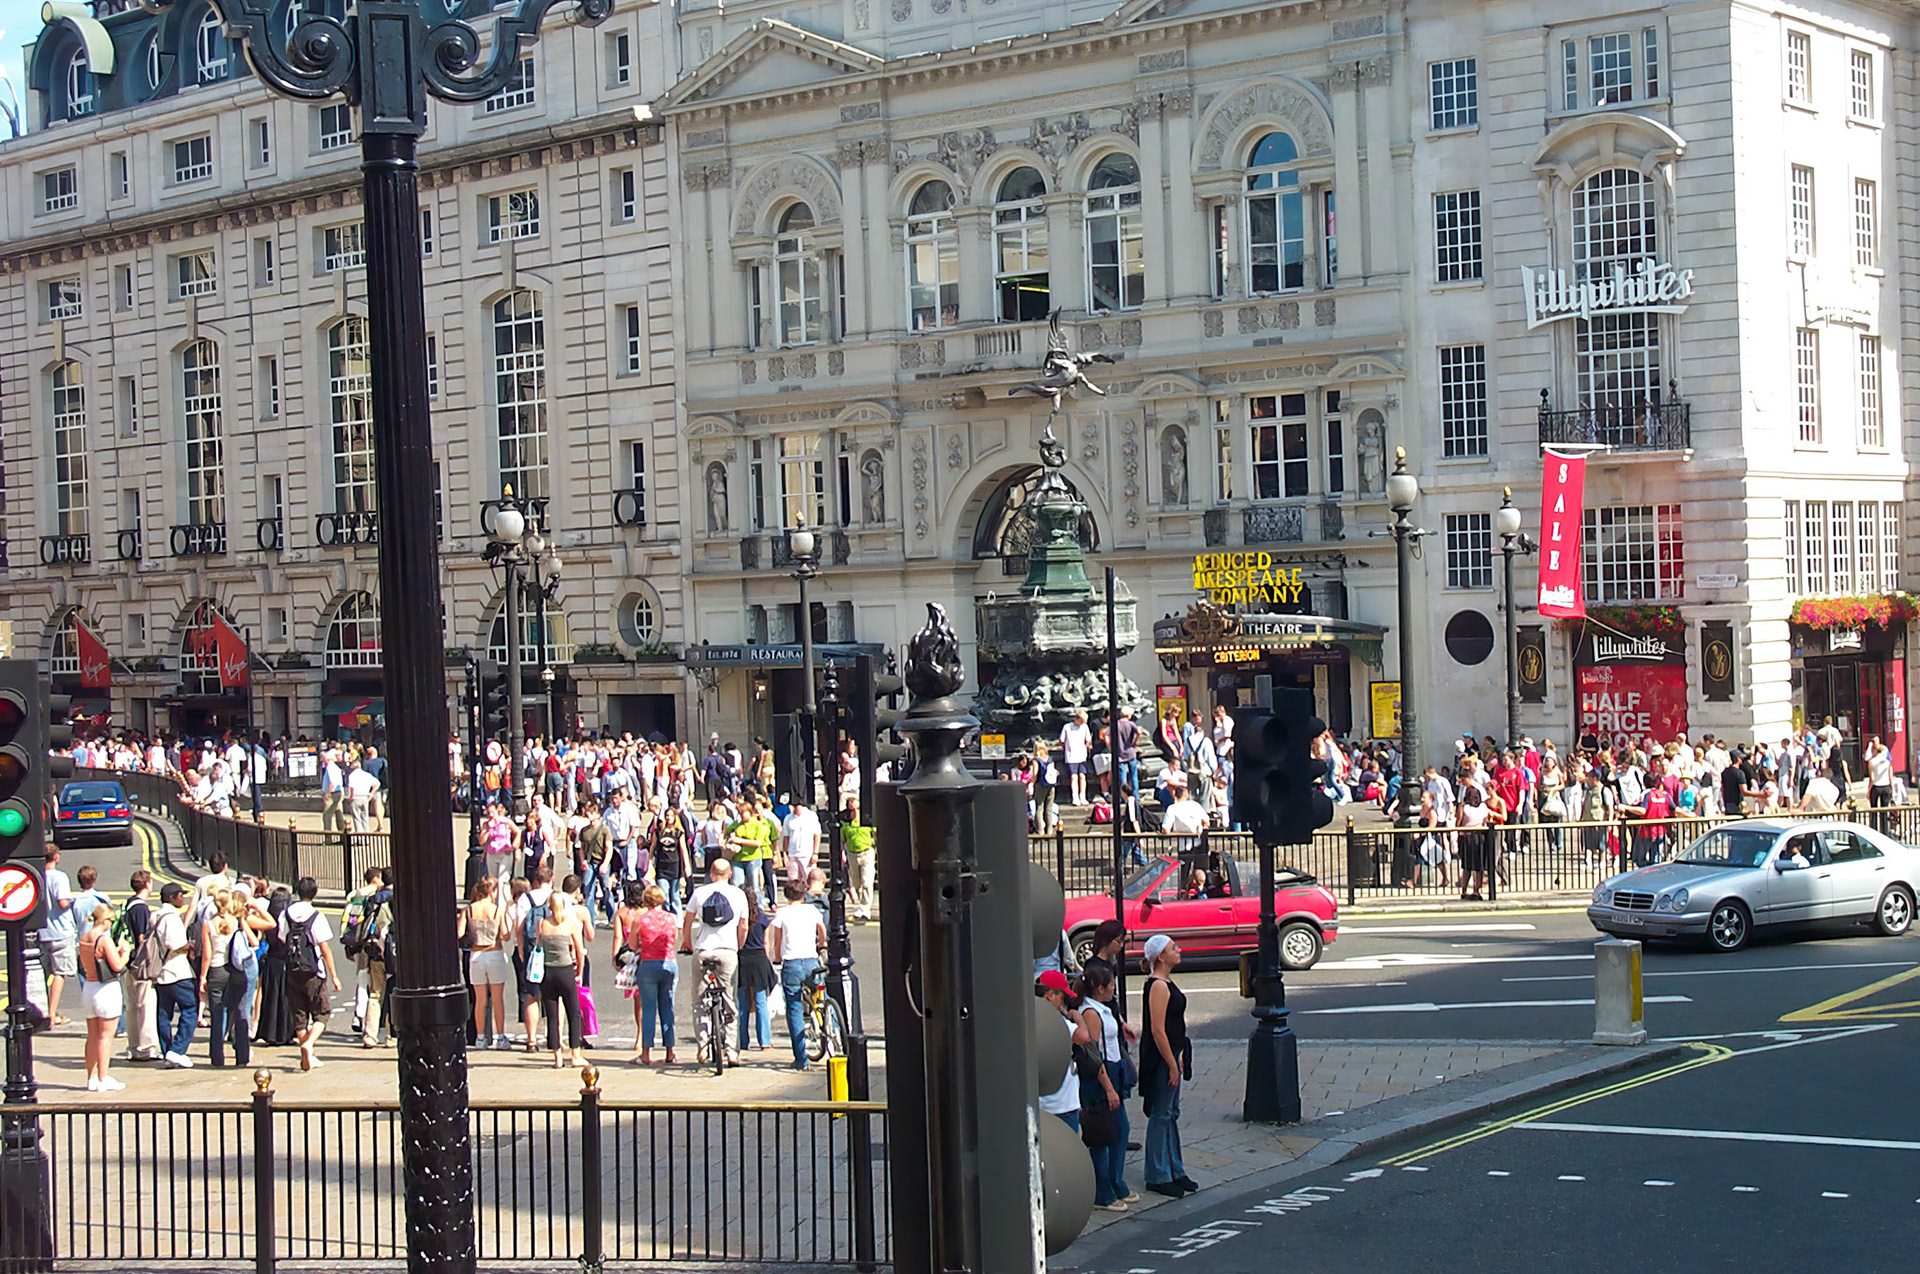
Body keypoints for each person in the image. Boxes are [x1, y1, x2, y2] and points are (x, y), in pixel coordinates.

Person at [1139, 934, 1194, 1198]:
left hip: (1172, 1054)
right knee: (1161, 1115)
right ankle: (1157, 1174)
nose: (1178, 950)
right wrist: (1172, 1064)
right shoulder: (1158, 986)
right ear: (1160, 956)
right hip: (1162, 1058)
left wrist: (1180, 1054)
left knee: (1171, 1113)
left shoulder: (1166, 982)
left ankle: (1174, 1169)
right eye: (1173, 948)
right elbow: (1157, 1030)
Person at [682, 857, 750, 1066]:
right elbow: (744, 925)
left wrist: (688, 943)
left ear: (711, 874)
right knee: (730, 1002)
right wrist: (737, 946)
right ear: (730, 874)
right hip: (728, 950)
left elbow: (687, 920)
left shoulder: (700, 893)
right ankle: (731, 1052)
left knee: (699, 1001)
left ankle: (703, 1048)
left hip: (704, 948)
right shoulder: (738, 894)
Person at [1076, 964, 1132, 1210]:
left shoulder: (1103, 1008)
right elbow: (1093, 1055)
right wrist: (1108, 1087)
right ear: (1100, 988)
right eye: (1110, 985)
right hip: (1102, 1075)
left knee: (1119, 1130)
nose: (1113, 989)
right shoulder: (1091, 1013)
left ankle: (1115, 1181)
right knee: (1103, 1133)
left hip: (1113, 1069)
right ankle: (1104, 1191)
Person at [281, 876, 342, 1073]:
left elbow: (282, 939)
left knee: (299, 1015)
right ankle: (309, 1044)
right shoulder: (316, 916)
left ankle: (307, 1053)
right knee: (321, 1013)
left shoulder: (286, 914)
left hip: (292, 970)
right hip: (314, 972)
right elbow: (325, 949)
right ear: (314, 893)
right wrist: (334, 976)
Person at [767, 882, 828, 1070]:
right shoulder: (811, 910)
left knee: (794, 1009)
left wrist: (777, 957)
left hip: (791, 963)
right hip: (811, 960)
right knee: (821, 997)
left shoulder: (782, 913)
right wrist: (821, 944)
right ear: (803, 895)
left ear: (787, 895)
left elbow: (777, 939)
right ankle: (829, 1027)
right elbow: (822, 930)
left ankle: (801, 1059)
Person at [619, 884, 679, 1066]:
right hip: (668, 962)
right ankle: (670, 1050)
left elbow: (632, 944)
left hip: (648, 963)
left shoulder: (640, 919)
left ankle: (645, 1053)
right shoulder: (671, 918)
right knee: (667, 1006)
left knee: (648, 1009)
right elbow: (674, 940)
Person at [535, 886, 589, 1068]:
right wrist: (580, 971)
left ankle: (557, 1057)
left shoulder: (542, 923)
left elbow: (538, 945)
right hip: (565, 970)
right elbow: (580, 950)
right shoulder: (570, 924)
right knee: (573, 1012)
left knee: (551, 1015)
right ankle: (575, 1054)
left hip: (547, 971)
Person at [77, 904, 128, 1091]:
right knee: (106, 1036)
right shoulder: (104, 940)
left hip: (89, 987)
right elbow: (117, 966)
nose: (111, 924)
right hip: (106, 989)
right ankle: (103, 1078)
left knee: (92, 1035)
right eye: (111, 921)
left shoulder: (83, 938)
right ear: (104, 920)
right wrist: (125, 953)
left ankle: (90, 1078)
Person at [1036, 969, 1091, 1132]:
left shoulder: (1033, 1020)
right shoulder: (1059, 1022)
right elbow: (1083, 1037)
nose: (1064, 1002)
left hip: (1042, 1101)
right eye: (1062, 997)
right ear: (1050, 995)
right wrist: (1077, 1017)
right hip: (1062, 1103)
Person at [152, 882, 198, 1068]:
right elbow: (176, 945)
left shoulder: (155, 915)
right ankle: (177, 1050)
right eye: (180, 895)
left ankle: (167, 1051)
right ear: (171, 898)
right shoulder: (171, 918)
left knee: (164, 1014)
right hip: (177, 972)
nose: (183, 898)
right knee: (190, 1009)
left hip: (160, 972)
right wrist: (192, 945)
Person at [118, 871, 162, 1062]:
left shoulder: (128, 904)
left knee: (132, 1007)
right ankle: (146, 1048)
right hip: (141, 964)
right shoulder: (141, 909)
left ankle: (134, 1046)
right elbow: (142, 938)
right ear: (147, 884)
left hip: (129, 962)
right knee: (146, 1005)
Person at [464, 877, 511, 1048]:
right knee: (498, 998)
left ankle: (480, 1037)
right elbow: (505, 934)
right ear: (492, 892)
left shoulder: (469, 910)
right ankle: (500, 1037)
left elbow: (459, 932)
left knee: (480, 999)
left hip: (476, 954)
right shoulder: (497, 910)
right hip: (494, 952)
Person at [253, 884, 297, 1048]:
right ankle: (286, 1033)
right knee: (286, 998)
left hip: (272, 960)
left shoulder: (268, 917)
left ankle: (270, 1032)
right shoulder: (288, 918)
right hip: (285, 960)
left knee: (271, 998)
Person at [734, 889, 775, 1054]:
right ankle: (764, 1041)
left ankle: (742, 1040)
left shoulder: (739, 917)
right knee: (760, 1002)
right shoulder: (761, 917)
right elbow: (766, 942)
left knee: (742, 1004)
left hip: (742, 957)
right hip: (758, 958)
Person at [40, 847, 76, 1026]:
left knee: (42, 973)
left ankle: (41, 1009)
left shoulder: (36, 875)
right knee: (59, 973)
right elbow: (62, 903)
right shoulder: (59, 877)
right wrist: (72, 901)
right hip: (60, 931)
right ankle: (52, 1013)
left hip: (40, 931)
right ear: (55, 857)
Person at [781, 801, 822, 893]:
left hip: (807, 854)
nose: (793, 808)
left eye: (796, 806)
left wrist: (816, 852)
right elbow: (786, 837)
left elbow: (817, 835)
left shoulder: (811, 816)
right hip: (793, 854)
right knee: (793, 880)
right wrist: (785, 854)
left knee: (808, 879)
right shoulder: (788, 818)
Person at [1060, 710, 1094, 806]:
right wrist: (1067, 748)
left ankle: (1083, 795)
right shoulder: (1067, 727)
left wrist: (1085, 748)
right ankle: (1075, 796)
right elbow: (1062, 740)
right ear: (1076, 718)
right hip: (1071, 755)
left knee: (1082, 776)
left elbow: (1088, 740)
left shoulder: (1084, 727)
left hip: (1082, 755)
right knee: (1073, 776)